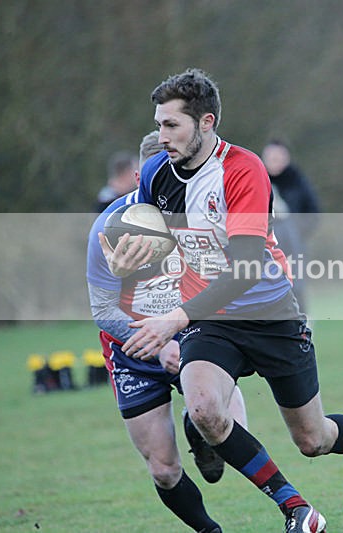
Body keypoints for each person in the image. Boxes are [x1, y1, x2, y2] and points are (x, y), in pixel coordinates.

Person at [104, 68, 343, 533]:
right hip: (209, 320)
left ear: (206, 122)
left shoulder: (243, 169)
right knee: (206, 410)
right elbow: (159, 247)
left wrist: (174, 316)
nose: (161, 135)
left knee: (312, 439)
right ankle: (296, 510)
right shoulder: (155, 173)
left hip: (269, 313)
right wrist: (130, 261)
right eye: (158, 124)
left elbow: (247, 265)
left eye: (172, 124)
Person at [87, 130, 248, 533]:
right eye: (164, 170)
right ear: (142, 174)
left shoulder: (201, 217)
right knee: (163, 469)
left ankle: (199, 427)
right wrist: (157, 347)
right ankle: (209, 531)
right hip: (132, 350)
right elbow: (102, 309)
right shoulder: (109, 227)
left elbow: (228, 281)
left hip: (193, 335)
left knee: (233, 436)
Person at [261, 140, 321, 311]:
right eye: (271, 157)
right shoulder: (256, 179)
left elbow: (313, 213)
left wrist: (295, 233)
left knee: (296, 287)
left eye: (278, 157)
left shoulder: (297, 181)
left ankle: (302, 328)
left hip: (293, 247)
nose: (274, 161)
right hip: (263, 247)